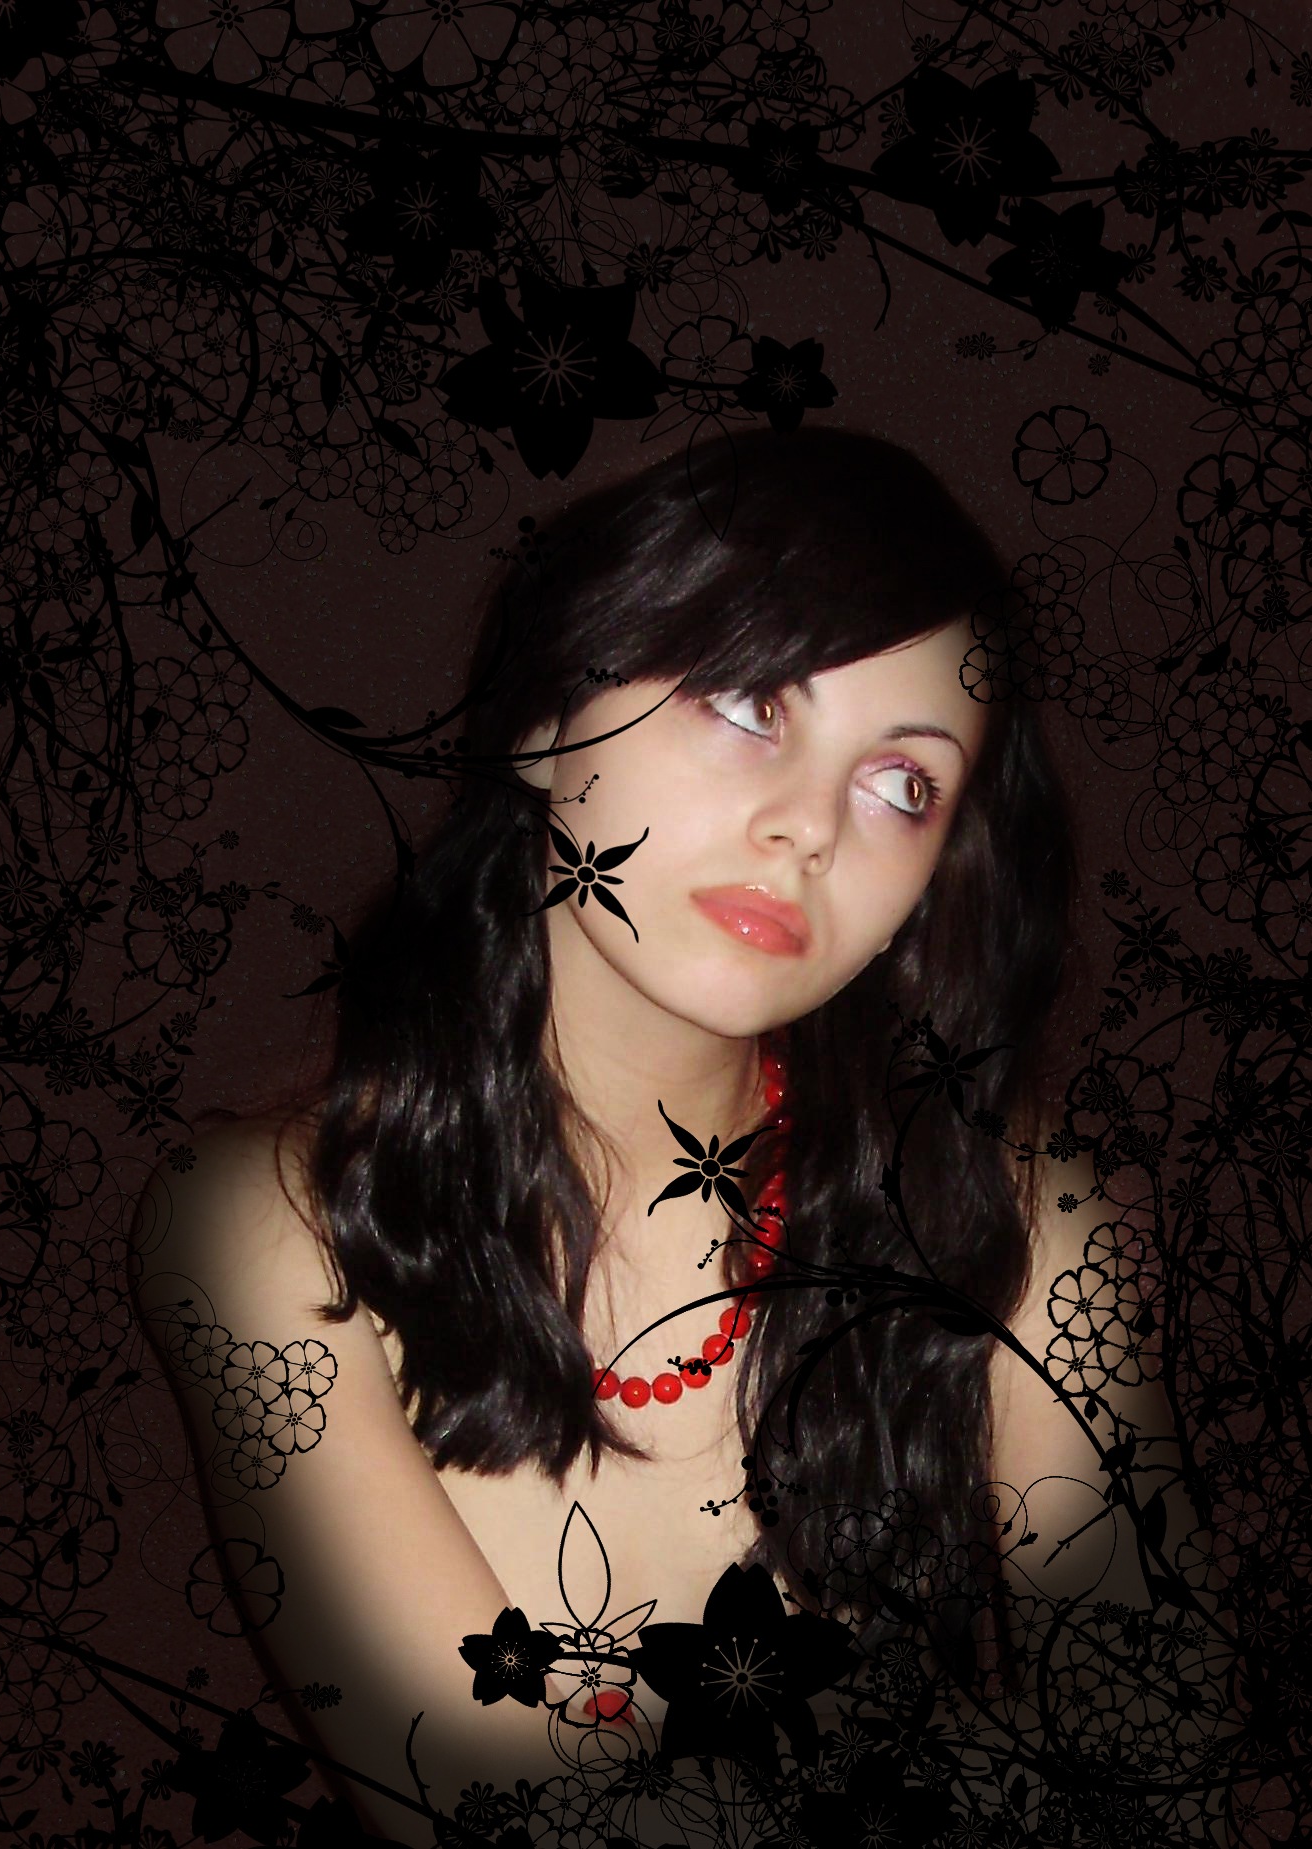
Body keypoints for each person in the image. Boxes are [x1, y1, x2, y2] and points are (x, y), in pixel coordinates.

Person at [131, 428, 1185, 1843]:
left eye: (902, 785)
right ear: (546, 711)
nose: (808, 828)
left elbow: (1162, 1751)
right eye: (748, 703)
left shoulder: (1018, 1203)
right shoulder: (260, 1223)